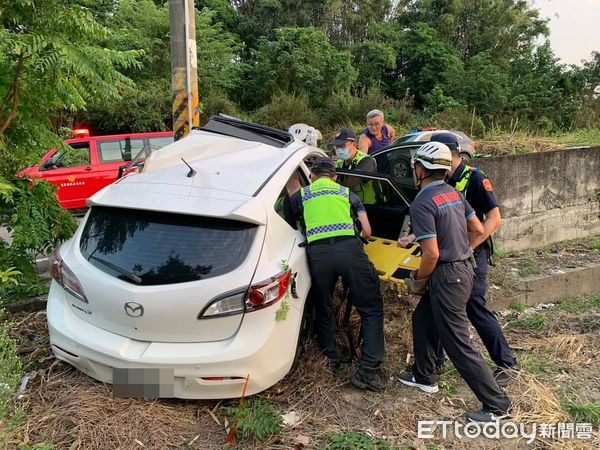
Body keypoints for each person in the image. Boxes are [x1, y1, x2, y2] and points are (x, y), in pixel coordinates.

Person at [396, 142, 512, 423]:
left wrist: (418, 279)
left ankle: (497, 405)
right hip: (464, 270)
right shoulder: (453, 193)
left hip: (447, 275)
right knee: (422, 318)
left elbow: (432, 253)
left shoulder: (422, 201)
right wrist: (462, 250)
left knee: (458, 342)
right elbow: (477, 228)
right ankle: (424, 376)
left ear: (420, 169)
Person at [289, 157, 386, 392]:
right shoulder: (347, 194)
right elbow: (369, 231)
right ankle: (368, 369)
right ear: (334, 177)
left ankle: (331, 358)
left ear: (311, 176)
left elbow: (293, 226)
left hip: (318, 255)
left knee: (323, 304)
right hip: (349, 250)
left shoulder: (300, 196)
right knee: (371, 307)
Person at [330, 127, 377, 204]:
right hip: (348, 205)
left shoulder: (367, 161)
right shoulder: (340, 162)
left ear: (354, 144)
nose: (339, 149)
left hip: (367, 206)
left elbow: (350, 183)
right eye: (337, 146)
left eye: (342, 145)